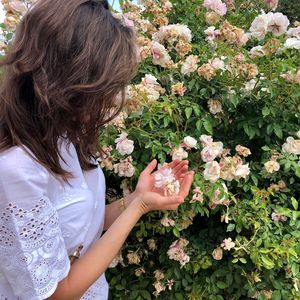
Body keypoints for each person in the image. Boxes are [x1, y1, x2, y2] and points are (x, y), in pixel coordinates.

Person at [0, 0, 194, 299]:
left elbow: (84, 223)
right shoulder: (16, 170)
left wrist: (138, 198)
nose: (110, 99)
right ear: (68, 80)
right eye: (105, 86)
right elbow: (57, 294)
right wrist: (139, 207)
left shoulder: (64, 138)